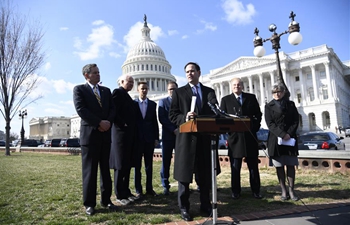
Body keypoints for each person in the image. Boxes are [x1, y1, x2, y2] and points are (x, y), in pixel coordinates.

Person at [169, 62, 218, 221]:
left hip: (204, 140)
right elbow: (173, 115)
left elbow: (214, 112)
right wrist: (185, 117)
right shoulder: (179, 93)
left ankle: (205, 205)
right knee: (184, 177)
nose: (189, 74)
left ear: (198, 72)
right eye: (187, 72)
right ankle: (184, 208)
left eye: (192, 71)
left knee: (204, 176)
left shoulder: (209, 92)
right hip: (186, 140)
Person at [73, 63, 117, 215]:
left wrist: (108, 122)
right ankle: (89, 203)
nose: (98, 75)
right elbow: (81, 110)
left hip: (105, 135)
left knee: (105, 170)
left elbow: (112, 109)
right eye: (95, 73)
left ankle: (107, 200)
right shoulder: (79, 90)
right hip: (90, 136)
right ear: (86, 75)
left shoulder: (106, 91)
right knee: (90, 172)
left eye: (99, 72)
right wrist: (99, 122)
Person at [220, 77, 263, 200]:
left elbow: (258, 114)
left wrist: (254, 127)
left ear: (242, 86)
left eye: (239, 85)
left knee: (253, 166)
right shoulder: (226, 100)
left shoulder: (251, 98)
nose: (236, 87)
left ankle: (256, 190)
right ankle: (235, 191)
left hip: (250, 137)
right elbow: (222, 117)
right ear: (231, 86)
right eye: (234, 85)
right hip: (235, 139)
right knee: (235, 167)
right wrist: (229, 130)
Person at [264, 84, 300, 201]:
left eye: (279, 92)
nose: (277, 94)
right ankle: (283, 190)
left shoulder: (291, 104)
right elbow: (270, 124)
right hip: (276, 140)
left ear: (283, 92)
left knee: (290, 165)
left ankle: (291, 190)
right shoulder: (269, 106)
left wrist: (288, 134)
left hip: (290, 139)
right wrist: (282, 134)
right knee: (279, 166)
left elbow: (295, 120)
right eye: (274, 92)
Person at [109, 75, 138, 205]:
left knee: (127, 164)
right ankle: (119, 194)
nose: (131, 84)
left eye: (132, 82)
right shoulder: (117, 92)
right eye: (128, 82)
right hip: (120, 135)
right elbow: (113, 111)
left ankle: (126, 191)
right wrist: (123, 124)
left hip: (128, 135)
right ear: (121, 82)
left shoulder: (127, 96)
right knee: (120, 166)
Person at [134, 81, 159, 198]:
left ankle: (149, 188)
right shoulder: (133, 104)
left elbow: (154, 122)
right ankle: (138, 189)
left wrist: (156, 138)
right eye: (142, 88)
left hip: (149, 138)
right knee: (137, 166)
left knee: (149, 165)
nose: (144, 90)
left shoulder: (153, 104)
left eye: (145, 88)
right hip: (137, 139)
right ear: (138, 90)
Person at [158, 81, 178, 195]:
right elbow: (162, 118)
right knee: (166, 161)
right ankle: (165, 185)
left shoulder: (180, 102)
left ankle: (181, 183)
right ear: (167, 90)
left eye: (174, 89)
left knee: (180, 161)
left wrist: (178, 129)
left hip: (180, 135)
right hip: (167, 136)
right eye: (170, 89)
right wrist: (173, 129)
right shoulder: (163, 101)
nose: (172, 91)